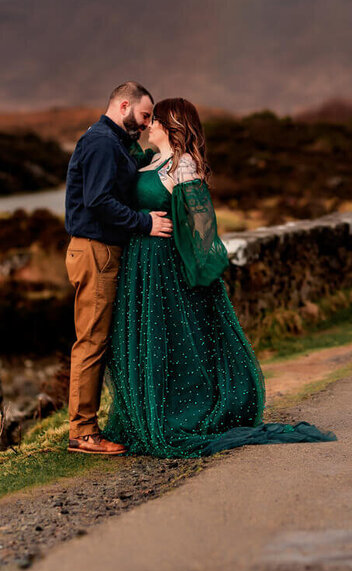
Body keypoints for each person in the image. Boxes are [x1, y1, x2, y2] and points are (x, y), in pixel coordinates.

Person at [103, 98, 335, 457]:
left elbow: (201, 224)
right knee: (145, 338)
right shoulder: (150, 161)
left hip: (165, 264)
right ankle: (145, 411)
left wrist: (196, 266)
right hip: (139, 263)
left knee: (175, 338)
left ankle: (183, 413)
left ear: (170, 125)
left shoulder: (184, 165)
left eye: (154, 121)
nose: (148, 126)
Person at [64, 82, 172, 455]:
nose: (145, 125)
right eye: (144, 116)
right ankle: (83, 433)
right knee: (91, 341)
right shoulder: (100, 143)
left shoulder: (116, 144)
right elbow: (97, 201)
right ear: (123, 105)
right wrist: (145, 224)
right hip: (94, 251)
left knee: (98, 339)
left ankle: (88, 426)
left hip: (103, 251)